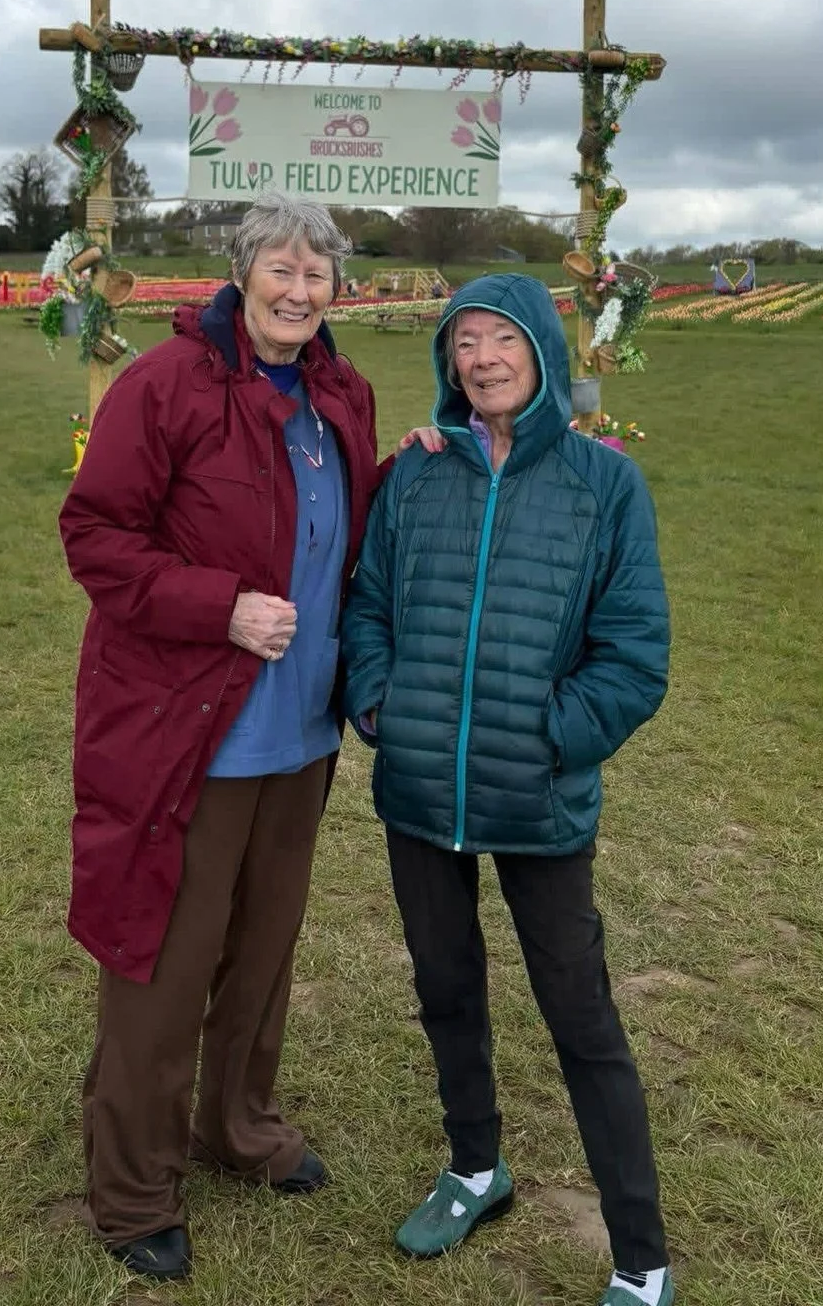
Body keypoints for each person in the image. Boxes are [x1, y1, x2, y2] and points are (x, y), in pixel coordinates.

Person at [58, 192, 388, 1285]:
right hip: (187, 731)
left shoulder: (344, 393)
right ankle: (133, 1184)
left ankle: (237, 1126)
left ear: (338, 288)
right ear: (241, 274)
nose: (300, 292)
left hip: (301, 734)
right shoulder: (167, 387)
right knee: (164, 957)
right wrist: (221, 607)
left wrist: (414, 466)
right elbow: (96, 535)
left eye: (318, 274)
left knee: (264, 948)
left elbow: (337, 529)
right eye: (280, 270)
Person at [342, 273, 675, 1306]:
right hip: (421, 792)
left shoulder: (602, 485)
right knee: (445, 990)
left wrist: (552, 740)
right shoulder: (418, 475)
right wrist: (383, 707)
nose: (481, 359)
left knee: (581, 1017)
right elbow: (367, 607)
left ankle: (641, 1255)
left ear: (542, 349)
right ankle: (476, 1167)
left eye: (501, 339)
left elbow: (635, 655)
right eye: (463, 343)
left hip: (538, 802)